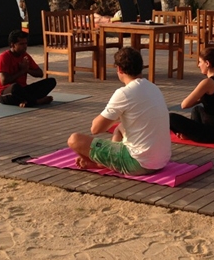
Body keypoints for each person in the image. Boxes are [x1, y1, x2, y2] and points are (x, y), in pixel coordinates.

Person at [68, 47, 171, 175]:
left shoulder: (124, 93)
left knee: (75, 139)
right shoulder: (153, 87)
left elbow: (96, 128)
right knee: (120, 128)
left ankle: (101, 163)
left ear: (119, 69)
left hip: (139, 163)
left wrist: (113, 114)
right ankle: (106, 161)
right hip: (161, 160)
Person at [169, 48, 214, 143]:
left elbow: (184, 105)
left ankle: (189, 134)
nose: (198, 65)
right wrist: (202, 98)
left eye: (200, 62)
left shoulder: (207, 82)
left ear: (207, 63)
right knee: (197, 110)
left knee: (170, 118)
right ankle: (190, 134)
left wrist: (200, 97)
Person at [0, 29, 56, 107]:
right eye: (21, 44)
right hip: (6, 93)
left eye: (26, 43)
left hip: (23, 90)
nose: (25, 46)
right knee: (15, 87)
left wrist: (27, 70)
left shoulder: (25, 55)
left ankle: (25, 100)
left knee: (51, 81)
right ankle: (36, 101)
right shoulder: (3, 57)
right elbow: (4, 81)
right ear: (12, 45)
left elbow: (40, 73)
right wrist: (22, 71)